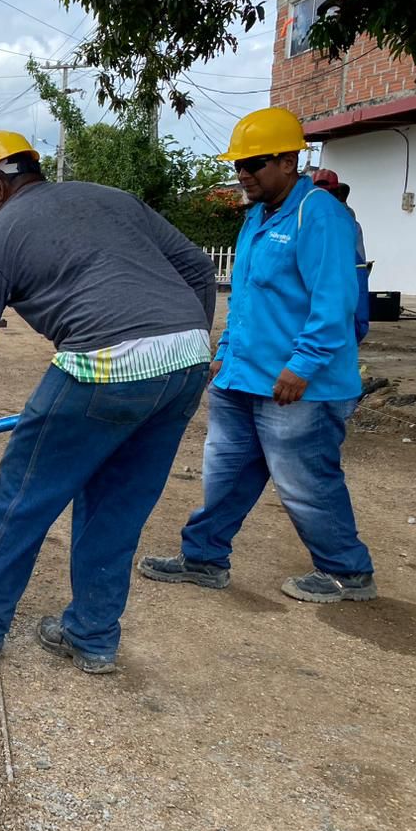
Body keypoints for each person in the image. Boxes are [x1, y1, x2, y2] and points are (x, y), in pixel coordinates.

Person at [0, 129, 216, 674]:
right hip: (187, 360)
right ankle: (92, 636)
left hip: (104, 363)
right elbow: (197, 269)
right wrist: (180, 342)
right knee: (118, 504)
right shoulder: (110, 198)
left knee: (24, 492)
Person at [140, 107, 374, 604]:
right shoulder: (255, 217)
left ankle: (347, 572)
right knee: (224, 476)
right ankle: (203, 558)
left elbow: (334, 302)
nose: (244, 173)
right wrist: (224, 349)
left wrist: (302, 366)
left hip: (298, 386)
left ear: (290, 161)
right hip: (243, 377)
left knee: (306, 483)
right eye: (238, 165)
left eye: (255, 163)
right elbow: (245, 295)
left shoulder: (320, 215)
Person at [312, 169, 371, 343]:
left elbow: (357, 269)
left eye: (327, 192)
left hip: (344, 280)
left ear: (336, 192)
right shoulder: (308, 218)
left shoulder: (346, 220)